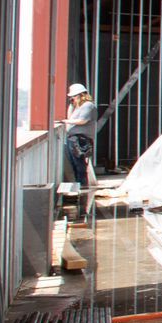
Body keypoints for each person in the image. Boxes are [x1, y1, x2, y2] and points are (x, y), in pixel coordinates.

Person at [62, 83, 96, 221]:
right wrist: (71, 106)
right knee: (75, 166)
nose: (72, 99)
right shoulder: (77, 107)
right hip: (73, 138)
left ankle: (82, 194)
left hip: (80, 139)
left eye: (74, 97)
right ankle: (79, 192)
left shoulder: (88, 106)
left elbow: (82, 121)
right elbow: (71, 119)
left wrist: (66, 121)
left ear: (80, 95)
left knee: (79, 166)